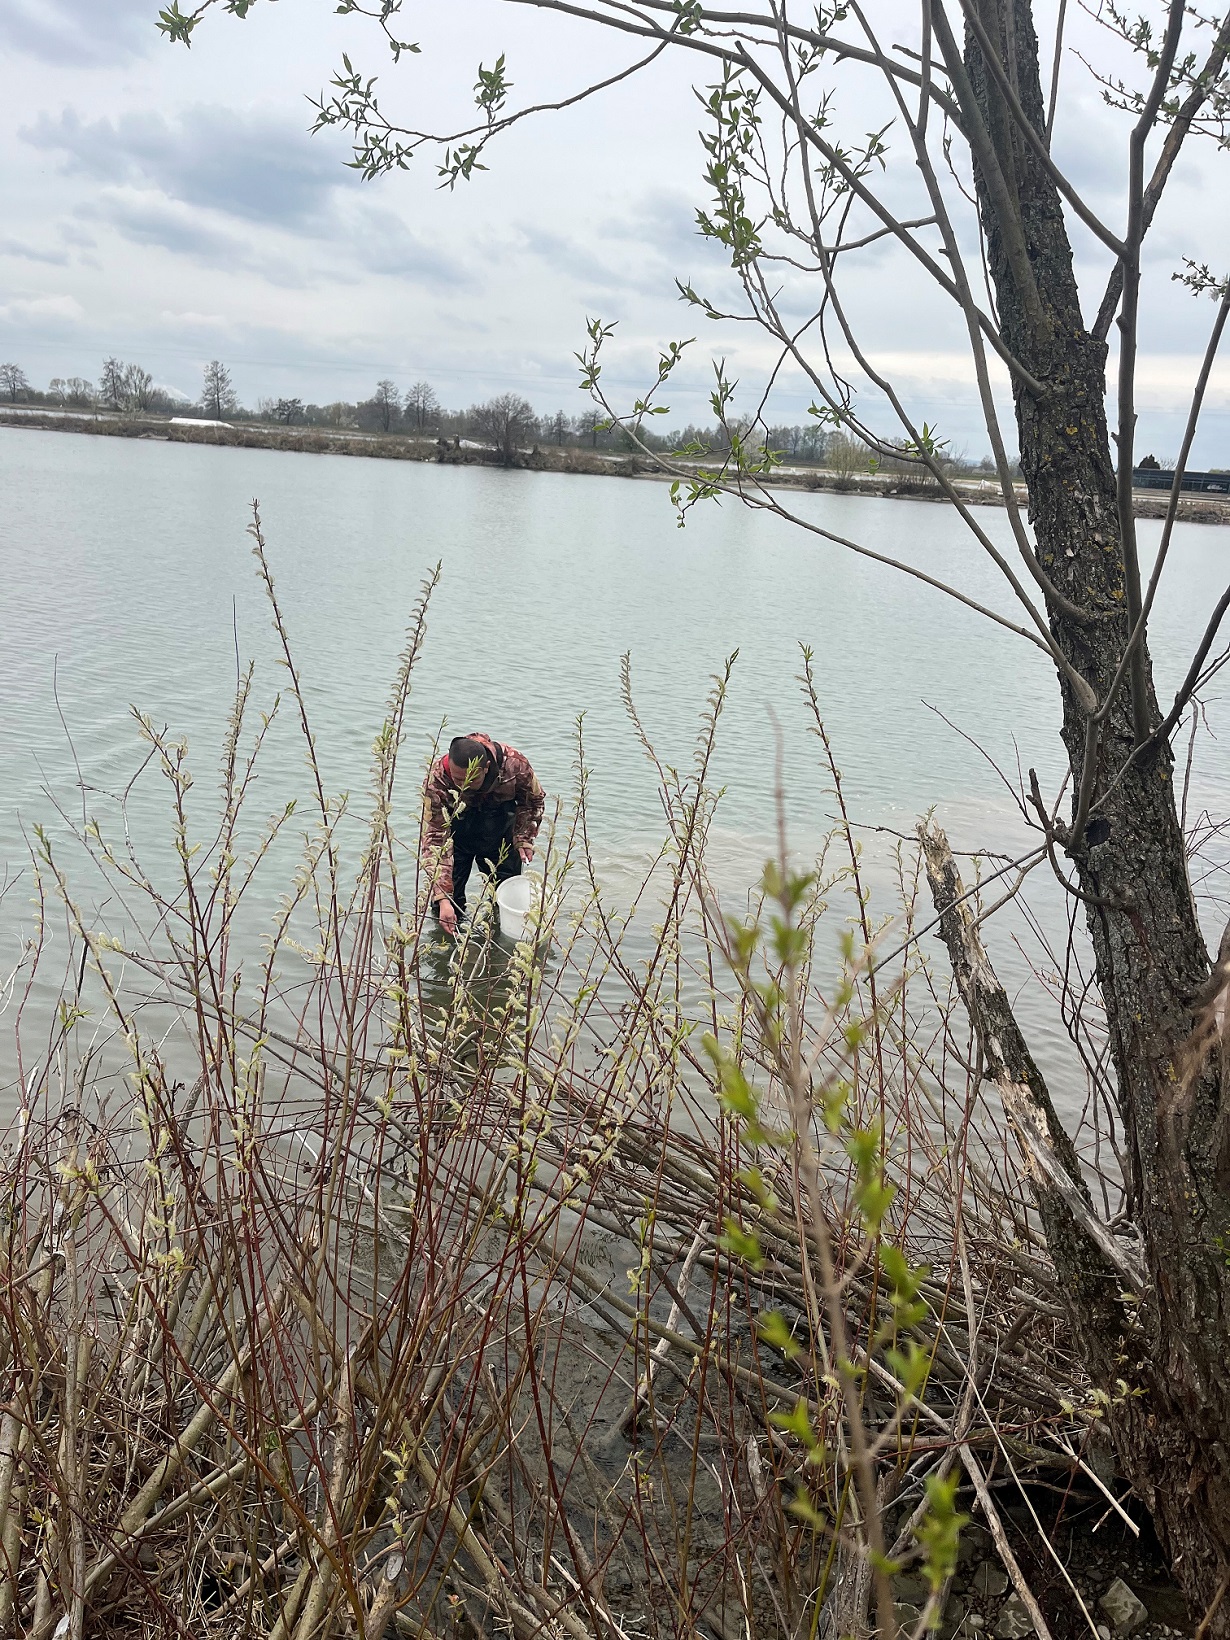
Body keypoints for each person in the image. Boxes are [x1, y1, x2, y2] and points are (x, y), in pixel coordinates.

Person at [422, 733, 545, 935]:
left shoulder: (515, 764)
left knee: (503, 901)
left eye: (470, 780)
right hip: (456, 837)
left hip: (500, 834)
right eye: (457, 779)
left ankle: (495, 948)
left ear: (486, 768)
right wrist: (443, 896)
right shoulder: (437, 779)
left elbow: (533, 800)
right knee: (445, 905)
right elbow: (435, 835)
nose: (462, 785)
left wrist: (524, 837)